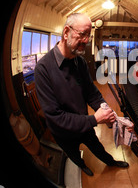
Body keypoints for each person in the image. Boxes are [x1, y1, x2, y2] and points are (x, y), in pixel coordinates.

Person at [35, 13, 129, 176]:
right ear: (66, 32)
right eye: (83, 34)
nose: (86, 40)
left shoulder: (80, 62)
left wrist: (107, 112)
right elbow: (54, 117)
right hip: (63, 133)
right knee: (73, 154)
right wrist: (95, 119)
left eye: (89, 35)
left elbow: (91, 93)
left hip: (84, 125)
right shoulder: (43, 69)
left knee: (97, 147)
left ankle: (110, 162)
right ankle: (83, 166)